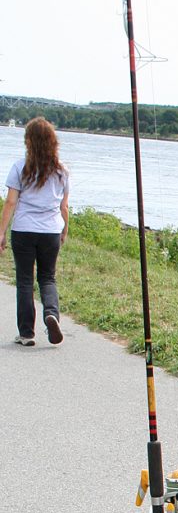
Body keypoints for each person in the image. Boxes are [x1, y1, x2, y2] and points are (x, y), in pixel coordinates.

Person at [0, 117, 69, 346]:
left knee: (25, 281)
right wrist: (64, 229)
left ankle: (27, 333)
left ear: (28, 141)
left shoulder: (20, 167)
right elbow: (64, 206)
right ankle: (51, 314)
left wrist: (1, 232)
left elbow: (11, 202)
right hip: (51, 231)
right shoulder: (62, 171)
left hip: (24, 230)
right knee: (47, 277)